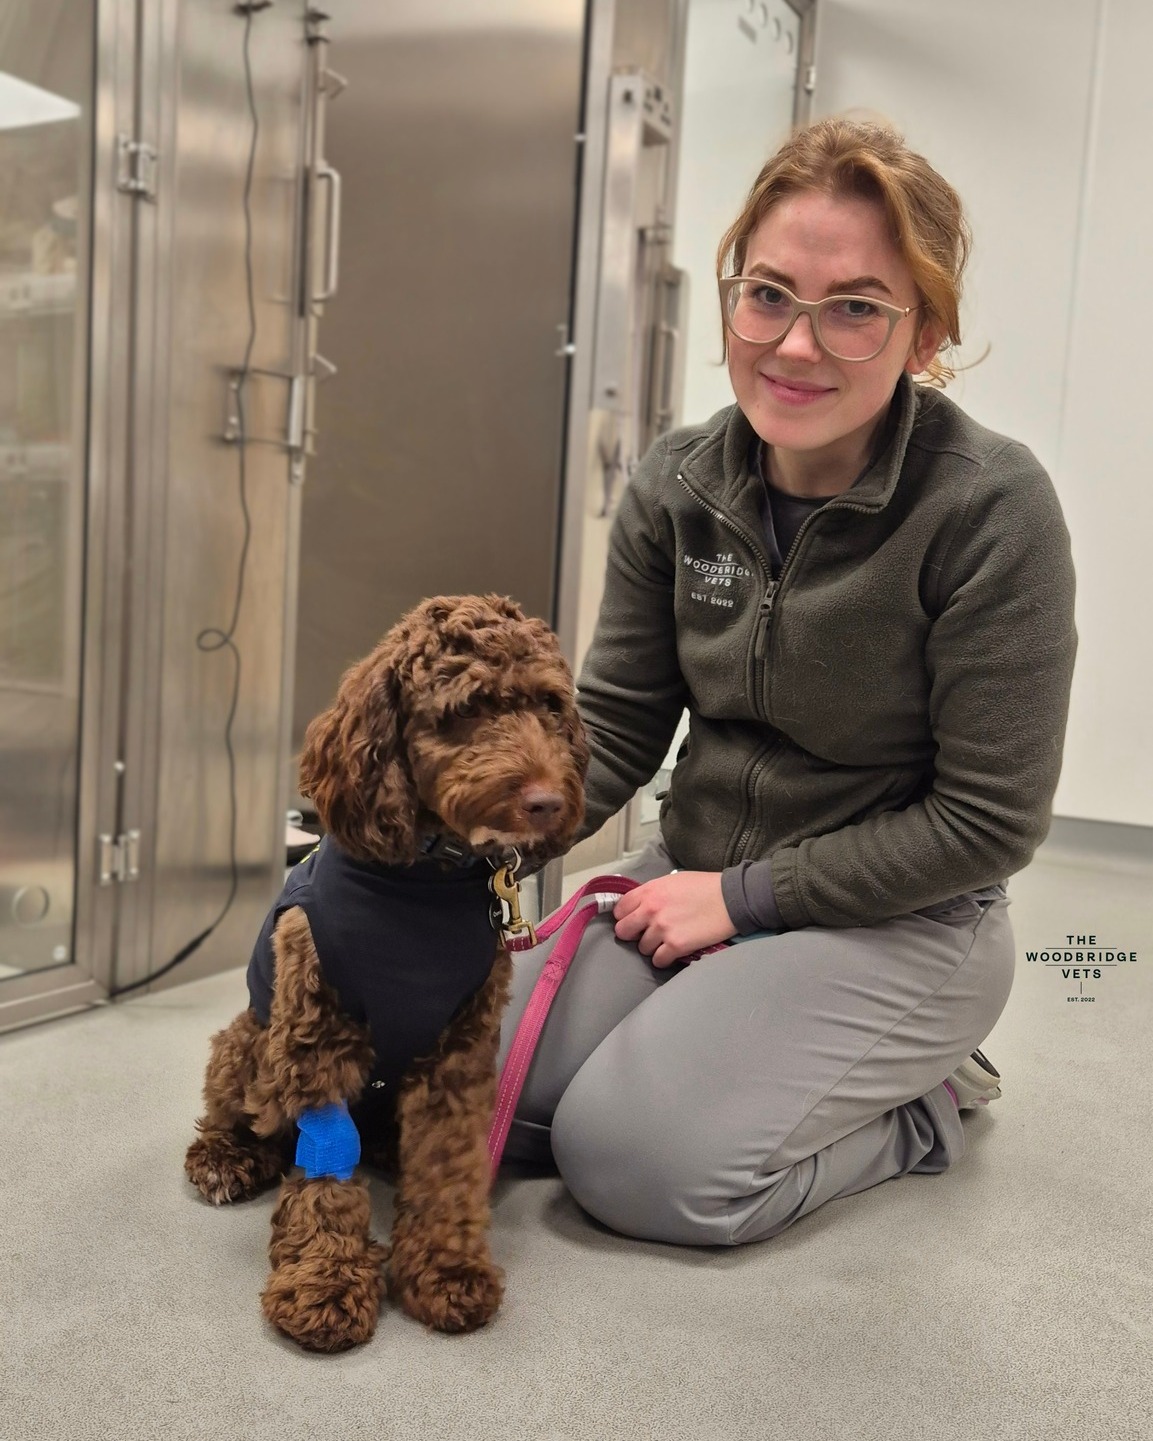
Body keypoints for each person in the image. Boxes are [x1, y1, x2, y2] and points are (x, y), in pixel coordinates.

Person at [496, 117, 1077, 1246]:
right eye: (767, 295)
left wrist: (743, 901)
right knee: (462, 1083)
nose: (795, 346)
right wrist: (452, 850)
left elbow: (987, 821)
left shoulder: (988, 510)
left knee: (632, 1160)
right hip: (690, 881)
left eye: (854, 307)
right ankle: (728, 1044)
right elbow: (614, 724)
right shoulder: (678, 483)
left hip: (903, 921)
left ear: (924, 334)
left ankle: (924, 1100)